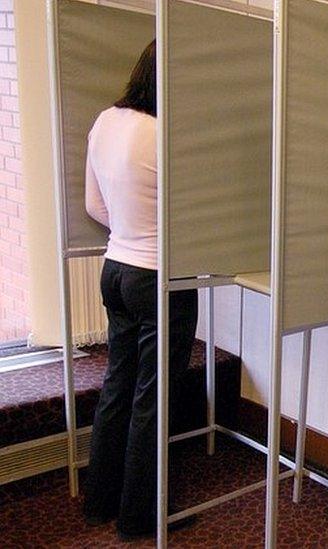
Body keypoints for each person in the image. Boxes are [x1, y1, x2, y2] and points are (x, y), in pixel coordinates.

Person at [83, 40, 198, 540]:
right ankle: (141, 518)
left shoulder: (106, 121)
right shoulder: (165, 135)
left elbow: (94, 206)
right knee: (153, 397)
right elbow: (193, 220)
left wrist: (131, 230)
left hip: (115, 268)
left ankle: (99, 501)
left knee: (118, 386)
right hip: (158, 279)